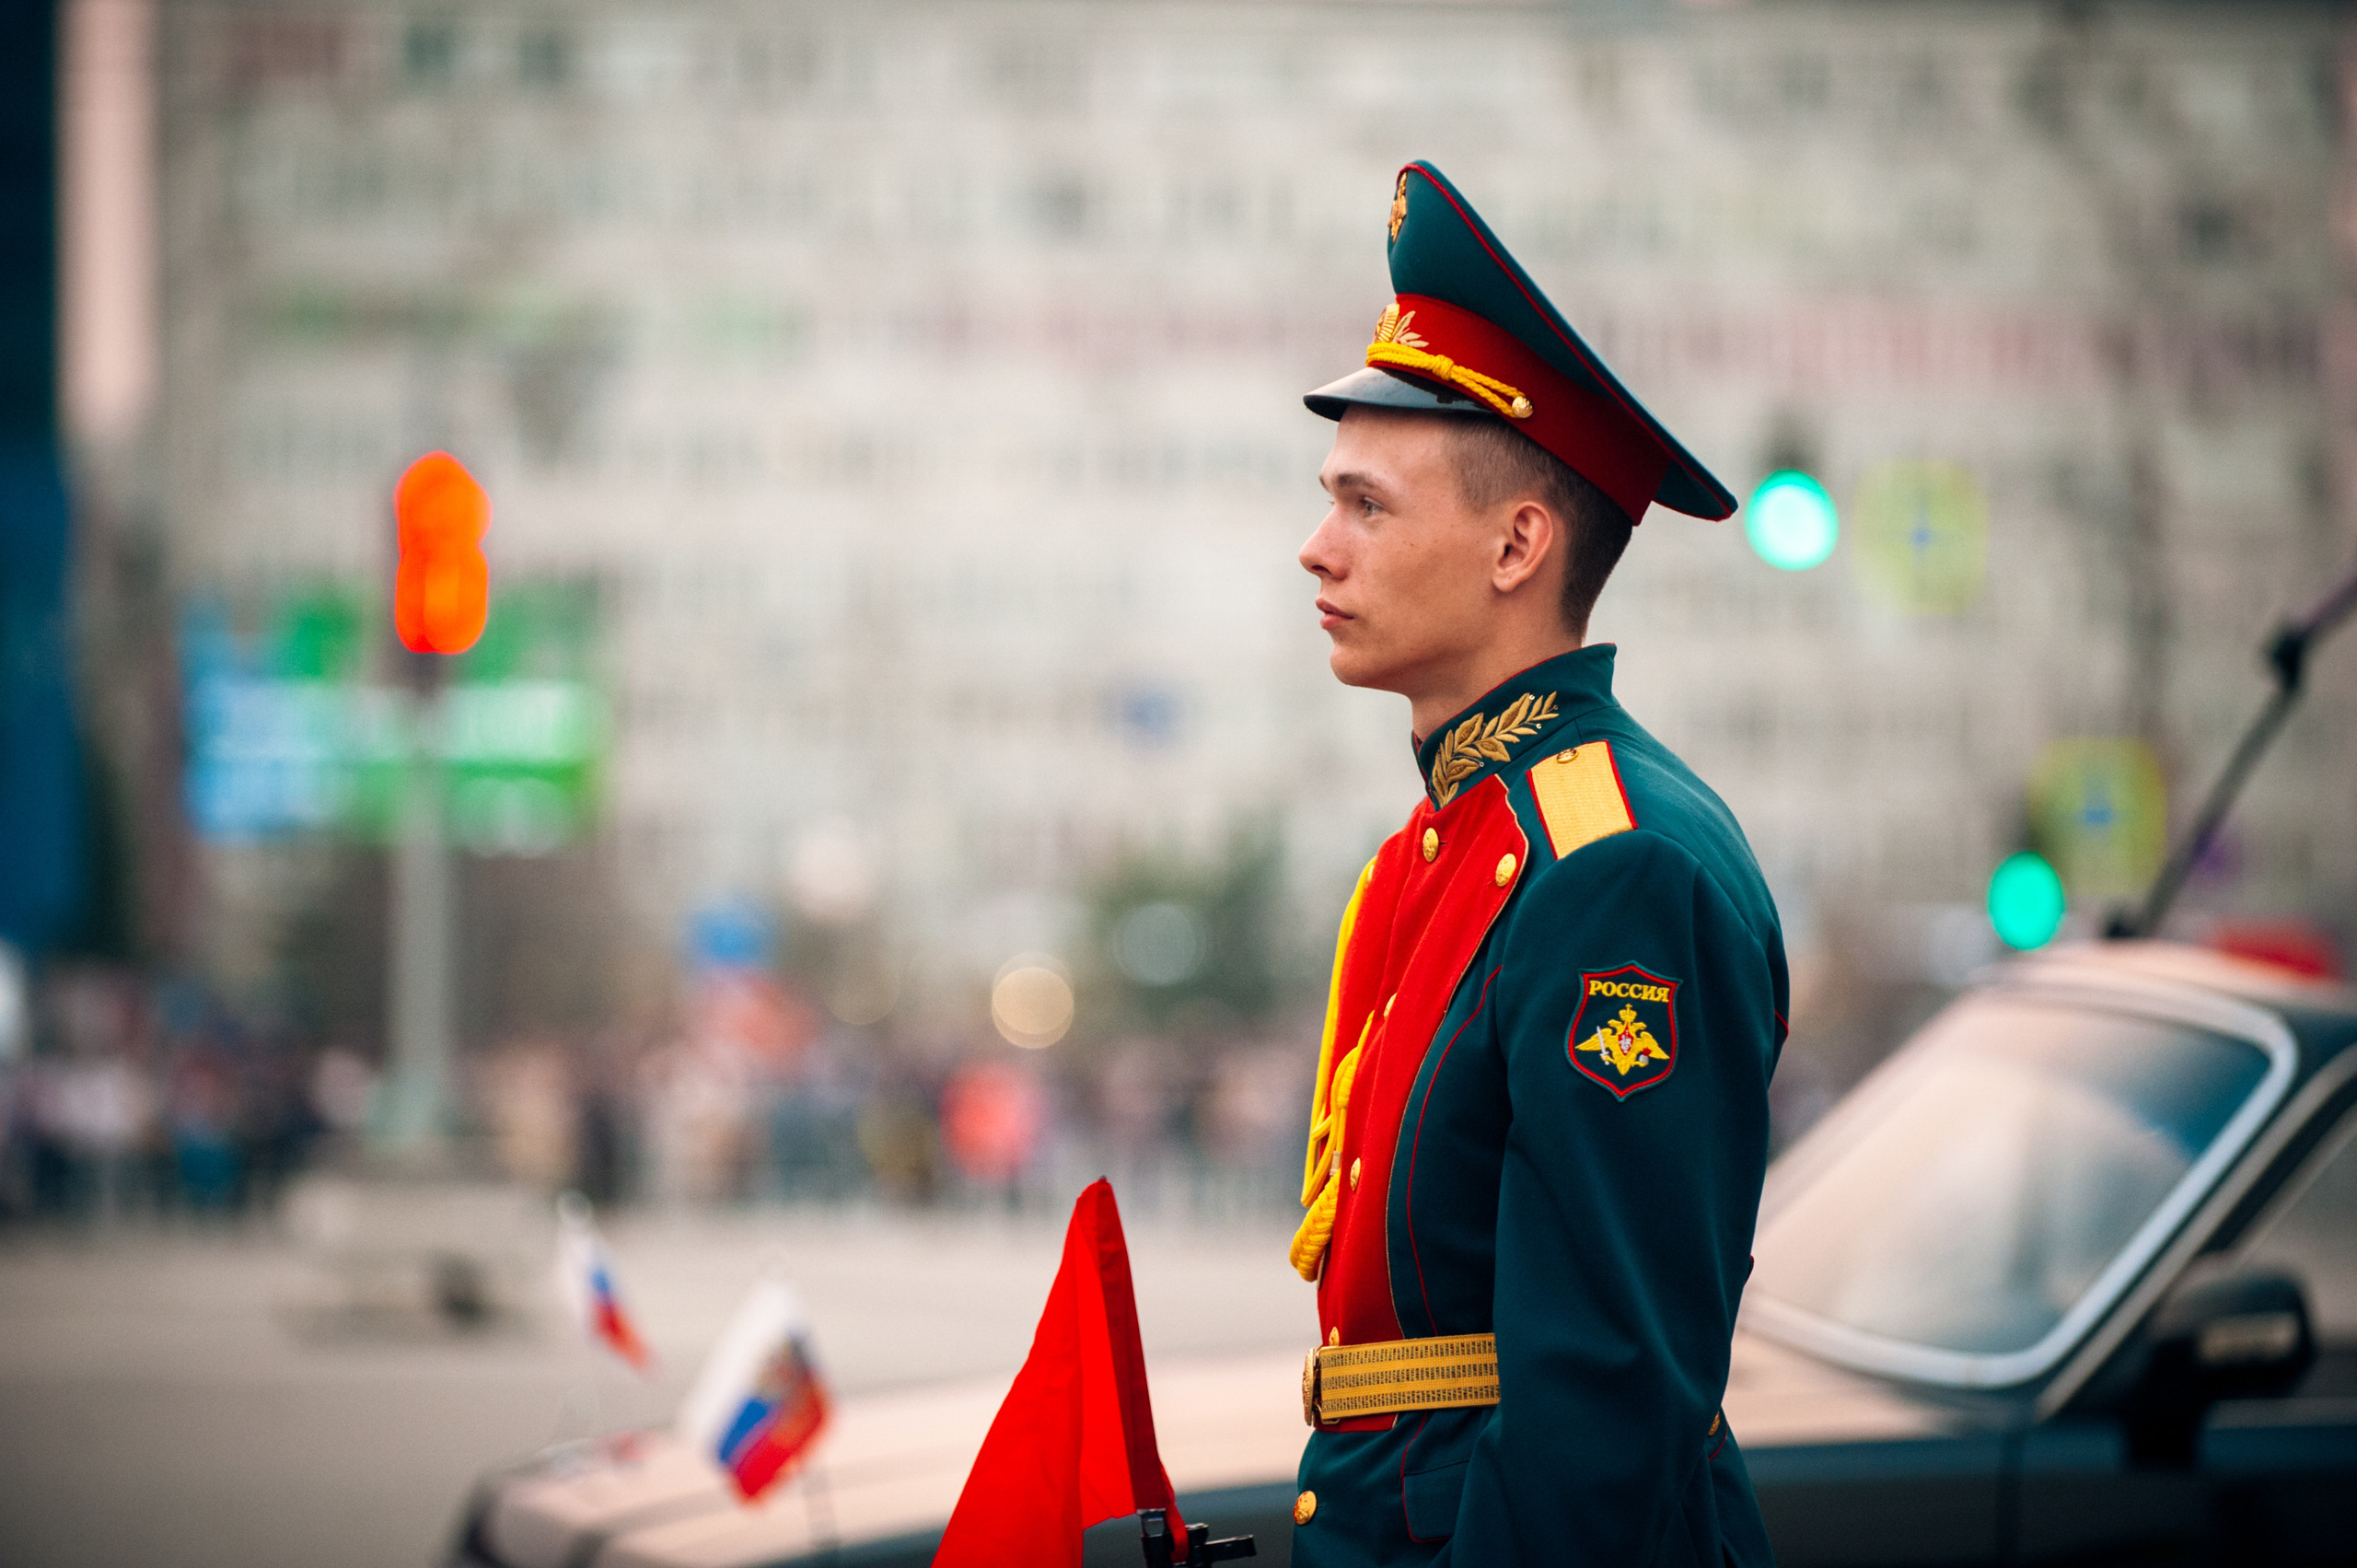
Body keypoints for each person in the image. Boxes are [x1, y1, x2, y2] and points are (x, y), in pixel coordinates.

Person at [1286, 161, 1787, 1567]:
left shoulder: (1614, 867)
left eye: (1367, 507)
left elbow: (1606, 1411)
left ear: (1519, 541)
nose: (1315, 549)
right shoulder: (1446, 849)